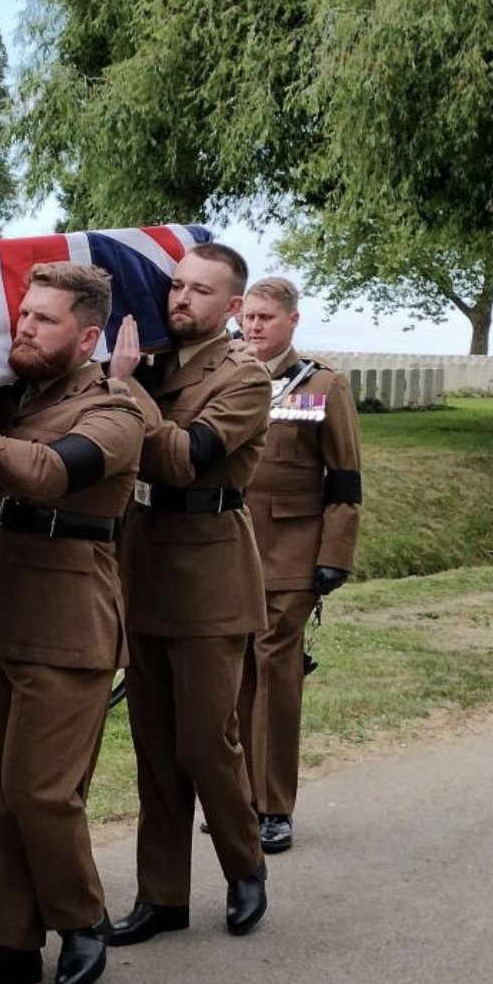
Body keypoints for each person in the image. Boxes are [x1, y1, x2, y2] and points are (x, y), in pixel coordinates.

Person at [0, 261, 143, 984]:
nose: (24, 327)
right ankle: (7, 940)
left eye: (44, 319)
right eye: (23, 314)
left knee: (41, 790)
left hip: (67, 623)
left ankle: (81, 920)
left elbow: (51, 474)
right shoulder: (14, 399)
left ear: (87, 335)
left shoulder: (117, 410)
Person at [107, 242, 272, 944]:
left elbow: (181, 458)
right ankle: (162, 895)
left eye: (201, 292)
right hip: (144, 566)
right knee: (153, 745)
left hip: (210, 575)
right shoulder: (152, 360)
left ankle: (244, 866)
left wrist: (125, 389)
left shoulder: (246, 377)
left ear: (231, 307)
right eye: (175, 286)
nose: (181, 300)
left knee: (207, 743)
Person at [234, 277, 362, 853]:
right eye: (248, 317)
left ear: (292, 321)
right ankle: (239, 798)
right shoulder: (229, 377)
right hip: (228, 553)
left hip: (289, 551)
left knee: (275, 674)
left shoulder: (321, 386)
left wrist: (334, 555)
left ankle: (273, 807)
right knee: (232, 676)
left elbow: (345, 479)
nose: (254, 327)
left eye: (266, 318)